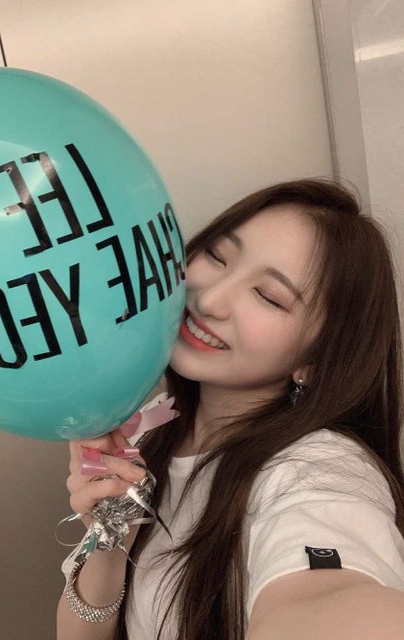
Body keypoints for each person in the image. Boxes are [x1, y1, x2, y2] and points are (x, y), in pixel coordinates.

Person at [56, 178, 404, 640]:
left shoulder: (318, 471)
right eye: (218, 256)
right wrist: (110, 538)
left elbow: (330, 594)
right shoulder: (151, 423)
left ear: (315, 361)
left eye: (269, 296)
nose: (209, 299)